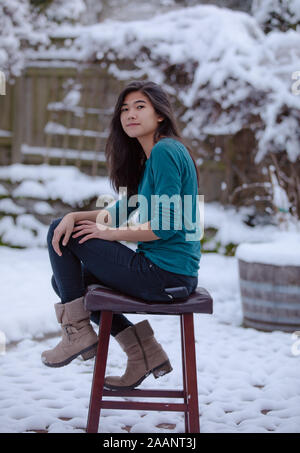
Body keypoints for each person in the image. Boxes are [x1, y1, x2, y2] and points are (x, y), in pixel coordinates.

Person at [42, 80, 201, 390]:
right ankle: (144, 353)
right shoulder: (148, 160)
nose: (130, 114)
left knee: (64, 237)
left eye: (140, 106)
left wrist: (109, 234)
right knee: (65, 280)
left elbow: (165, 227)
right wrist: (74, 216)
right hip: (167, 274)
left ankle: (76, 333)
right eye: (125, 109)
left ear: (160, 115)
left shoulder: (167, 151)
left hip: (167, 275)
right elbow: (115, 213)